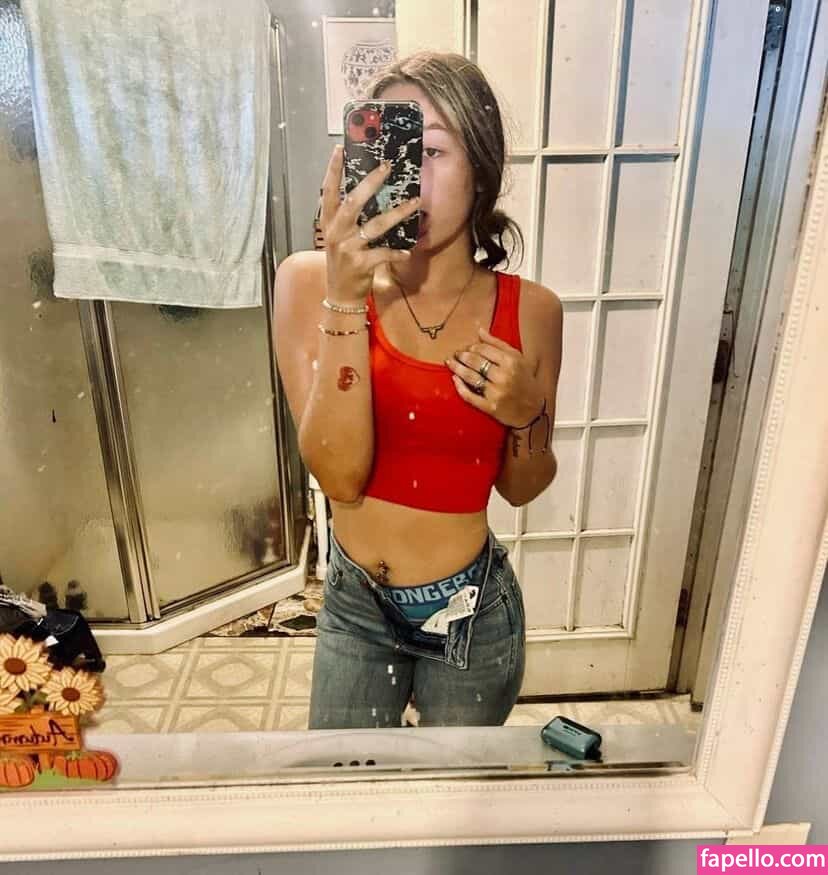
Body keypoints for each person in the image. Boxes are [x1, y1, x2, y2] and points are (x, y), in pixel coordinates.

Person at [273, 52, 563, 729]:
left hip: (471, 614)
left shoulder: (533, 310)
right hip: (354, 605)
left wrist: (527, 415)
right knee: (343, 779)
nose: (407, 177)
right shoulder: (308, 284)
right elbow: (339, 477)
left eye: (432, 150)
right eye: (390, 152)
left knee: (450, 789)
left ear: (481, 167)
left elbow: (522, 487)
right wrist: (346, 297)